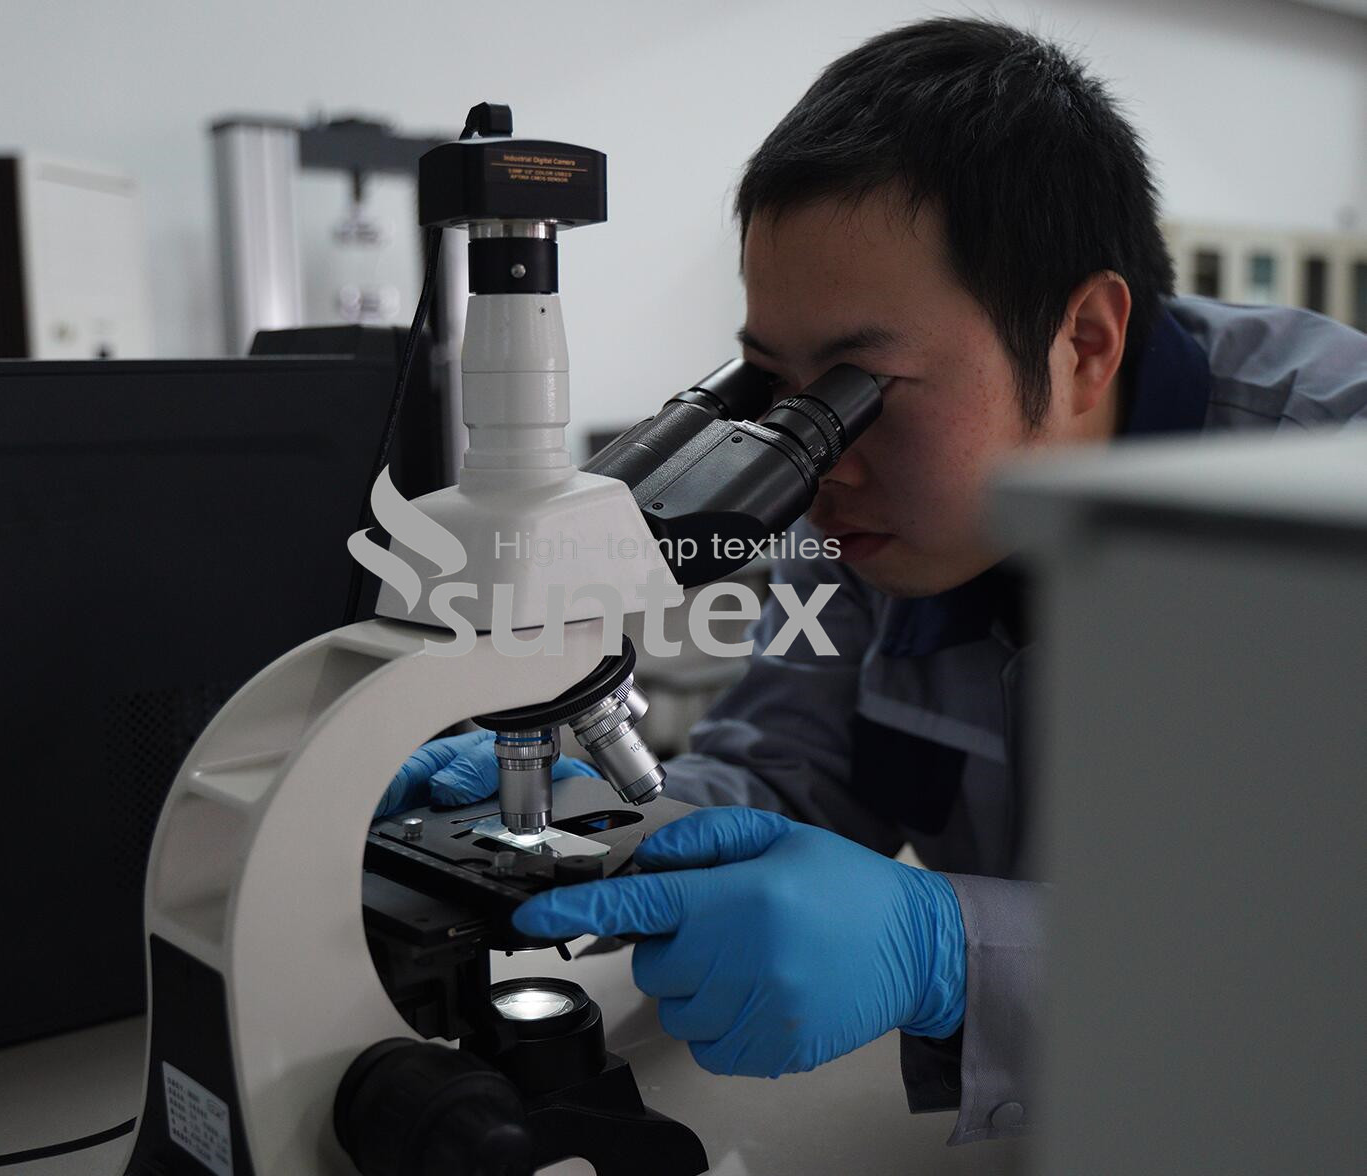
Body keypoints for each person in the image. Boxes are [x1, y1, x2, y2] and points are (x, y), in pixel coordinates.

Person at [377, 17, 1367, 1144]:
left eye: (857, 388)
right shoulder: (873, 518)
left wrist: (953, 955)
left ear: (1084, 341)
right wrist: (603, 820)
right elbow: (785, 769)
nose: (817, 461)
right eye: (772, 389)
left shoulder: (1331, 484)